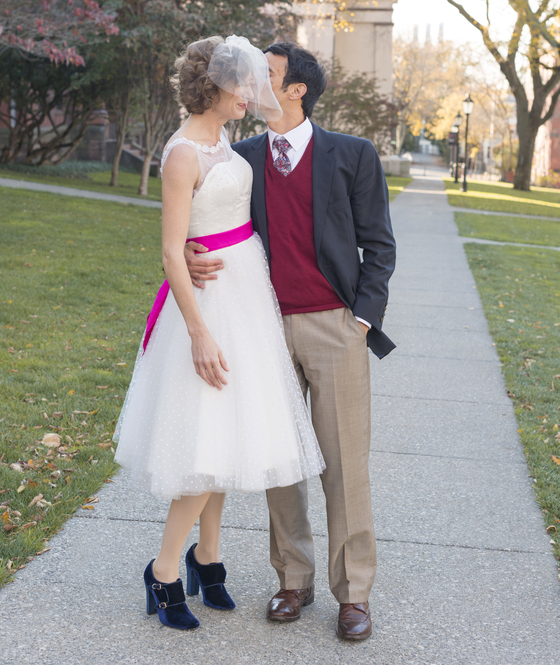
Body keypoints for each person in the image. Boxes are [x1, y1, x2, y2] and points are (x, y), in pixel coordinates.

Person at [185, 41, 396, 641]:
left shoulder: (353, 155)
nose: (250, 84)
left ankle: (353, 593)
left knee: (345, 465)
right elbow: (210, 220)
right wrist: (194, 250)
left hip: (335, 325)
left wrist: (361, 320)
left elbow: (379, 245)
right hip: (263, 326)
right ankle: (292, 579)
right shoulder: (240, 156)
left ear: (297, 88)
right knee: (282, 462)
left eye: (266, 75)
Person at [113, 35, 324, 632]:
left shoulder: (226, 141)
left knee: (228, 438)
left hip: (247, 295)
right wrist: (200, 334)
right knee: (205, 448)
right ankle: (163, 571)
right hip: (208, 308)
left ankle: (209, 558)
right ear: (215, 86)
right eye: (245, 83)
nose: (254, 93)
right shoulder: (183, 154)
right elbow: (169, 252)